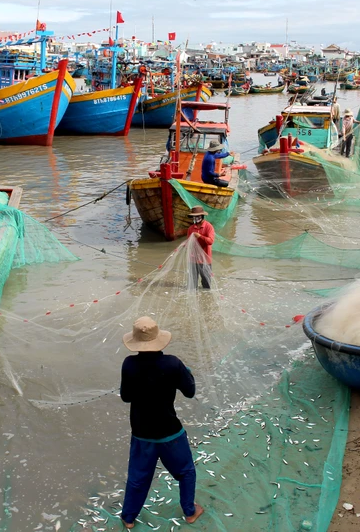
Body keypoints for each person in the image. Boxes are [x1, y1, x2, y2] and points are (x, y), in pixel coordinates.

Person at [120, 317, 203, 528]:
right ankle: (190, 512)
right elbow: (190, 391)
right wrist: (187, 374)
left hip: (141, 433)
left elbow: (126, 397)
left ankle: (128, 518)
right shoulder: (173, 363)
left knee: (138, 478)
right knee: (185, 472)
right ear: (159, 339)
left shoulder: (129, 364)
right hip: (170, 432)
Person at [186, 205, 215, 289]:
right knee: (192, 283)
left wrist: (200, 236)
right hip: (193, 259)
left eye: (197, 216)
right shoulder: (191, 228)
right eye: (193, 217)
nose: (195, 218)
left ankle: (206, 299)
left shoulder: (208, 227)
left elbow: (210, 241)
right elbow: (189, 242)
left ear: (202, 216)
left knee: (206, 284)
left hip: (205, 259)